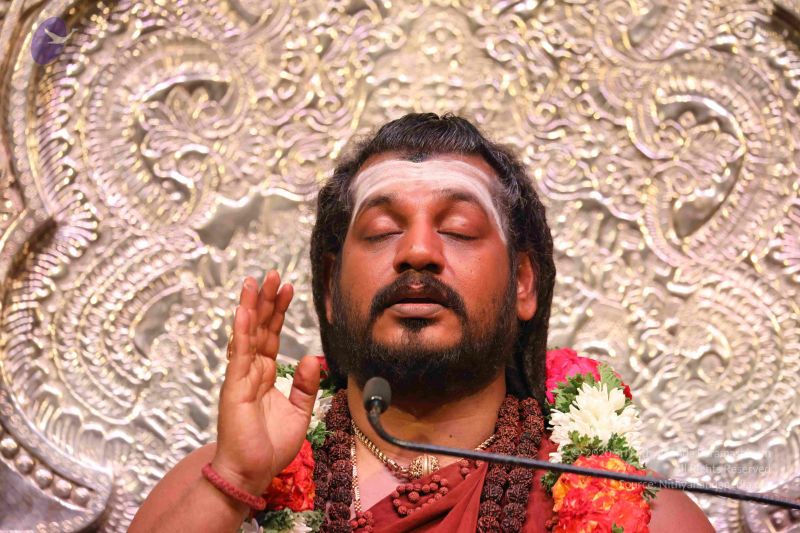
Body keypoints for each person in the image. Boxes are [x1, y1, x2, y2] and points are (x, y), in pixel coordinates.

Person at [129, 113, 714, 532]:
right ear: (330, 288)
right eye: (382, 231)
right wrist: (236, 480)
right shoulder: (218, 488)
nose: (417, 252)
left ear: (523, 283)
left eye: (458, 230)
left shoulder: (634, 512)